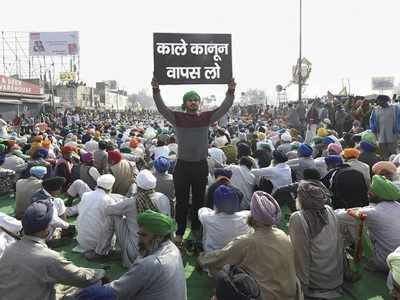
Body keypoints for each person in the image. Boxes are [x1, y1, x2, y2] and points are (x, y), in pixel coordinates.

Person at [152, 77, 236, 246]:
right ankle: (180, 231)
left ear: (199, 102)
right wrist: (156, 90)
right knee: (181, 201)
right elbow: (161, 108)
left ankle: (197, 229)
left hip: (200, 165)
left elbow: (224, 107)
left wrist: (230, 91)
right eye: (190, 100)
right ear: (185, 103)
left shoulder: (206, 117)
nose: (193, 102)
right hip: (182, 165)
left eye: (196, 100)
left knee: (199, 199)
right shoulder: (177, 117)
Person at [199, 191, 298, 300]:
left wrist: (202, 259)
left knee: (223, 277)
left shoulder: (248, 241)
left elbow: (219, 257)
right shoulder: (282, 234)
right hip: (290, 294)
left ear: (254, 216)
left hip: (266, 296)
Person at [0, 200, 106, 300]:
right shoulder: (49, 257)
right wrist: (101, 273)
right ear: (45, 229)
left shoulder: (9, 249)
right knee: (100, 288)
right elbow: (83, 278)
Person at [76, 210, 187, 300]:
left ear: (158, 238)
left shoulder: (151, 264)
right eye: (139, 234)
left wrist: (79, 294)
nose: (139, 239)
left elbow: (112, 292)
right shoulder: (172, 248)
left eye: (143, 235)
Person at [102, 170, 171, 267]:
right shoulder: (163, 198)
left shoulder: (132, 202)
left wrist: (119, 202)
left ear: (138, 186)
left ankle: (101, 251)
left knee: (114, 215)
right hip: (159, 251)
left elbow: (108, 210)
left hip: (136, 251)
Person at [289, 180, 343, 299]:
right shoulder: (329, 209)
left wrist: (303, 286)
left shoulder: (298, 218)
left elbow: (301, 256)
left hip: (316, 282)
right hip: (336, 277)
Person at [336, 175, 400, 272]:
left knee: (353, 221)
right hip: (397, 257)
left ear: (379, 195)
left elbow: (339, 216)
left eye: (371, 191)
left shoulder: (374, 212)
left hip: (385, 262)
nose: (368, 193)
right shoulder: (397, 206)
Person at [199, 185, 252, 253]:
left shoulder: (207, 217)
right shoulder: (245, 216)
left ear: (216, 203)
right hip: (236, 257)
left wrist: (215, 211)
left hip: (213, 256)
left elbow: (202, 210)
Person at [76, 174, 119, 257]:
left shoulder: (86, 195)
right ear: (110, 187)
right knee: (118, 219)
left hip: (82, 241)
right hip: (97, 244)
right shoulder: (109, 200)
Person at [370, 95, 400, 159]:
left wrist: (398, 128)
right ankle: (385, 163)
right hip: (380, 134)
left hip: (392, 134)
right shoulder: (375, 110)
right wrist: (373, 128)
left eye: (379, 101)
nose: (378, 102)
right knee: (383, 151)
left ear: (385, 100)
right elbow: (371, 120)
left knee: (393, 151)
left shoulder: (395, 108)